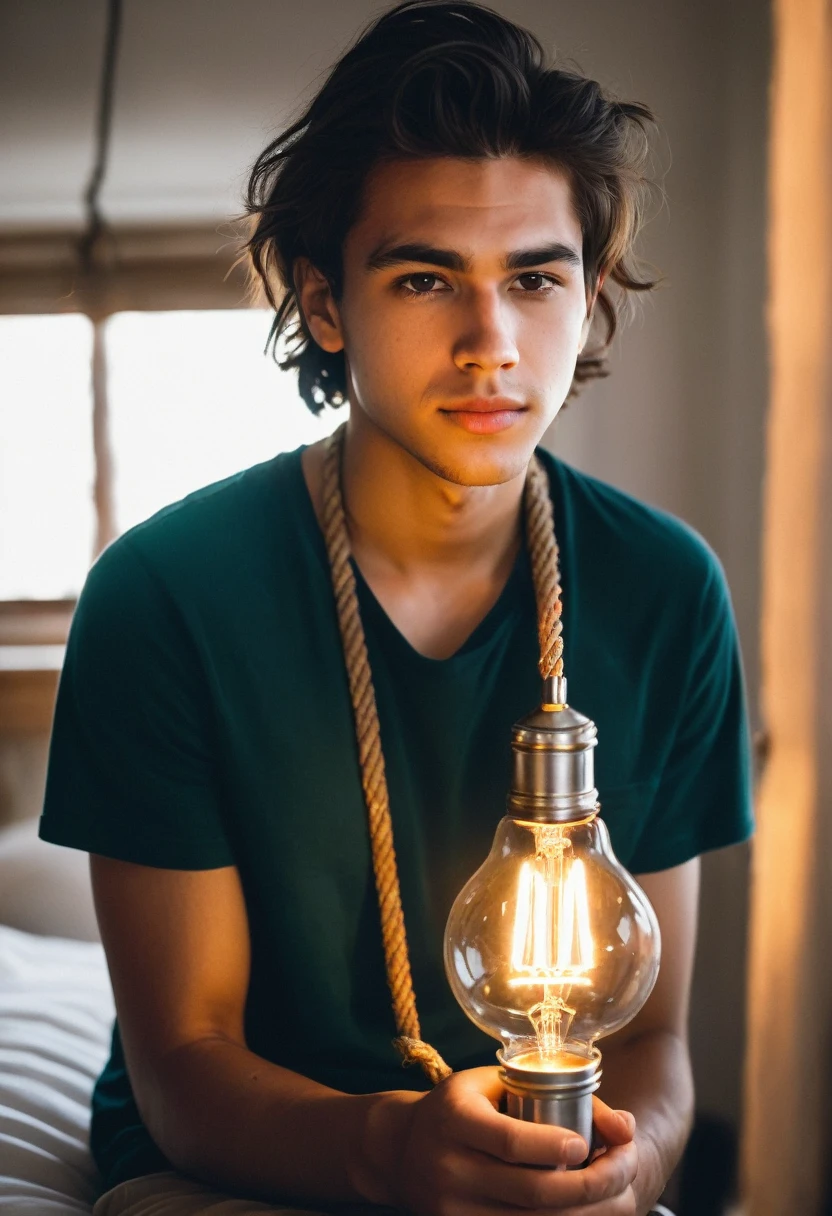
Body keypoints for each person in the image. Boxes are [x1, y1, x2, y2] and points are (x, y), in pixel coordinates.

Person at [39, 3, 754, 1214]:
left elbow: (653, 1042)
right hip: (233, 1172)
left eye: (535, 278)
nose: (490, 342)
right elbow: (184, 1064)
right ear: (325, 305)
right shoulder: (165, 597)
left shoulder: (666, 590)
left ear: (587, 299)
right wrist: (388, 1152)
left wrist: (635, 1165)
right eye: (426, 278)